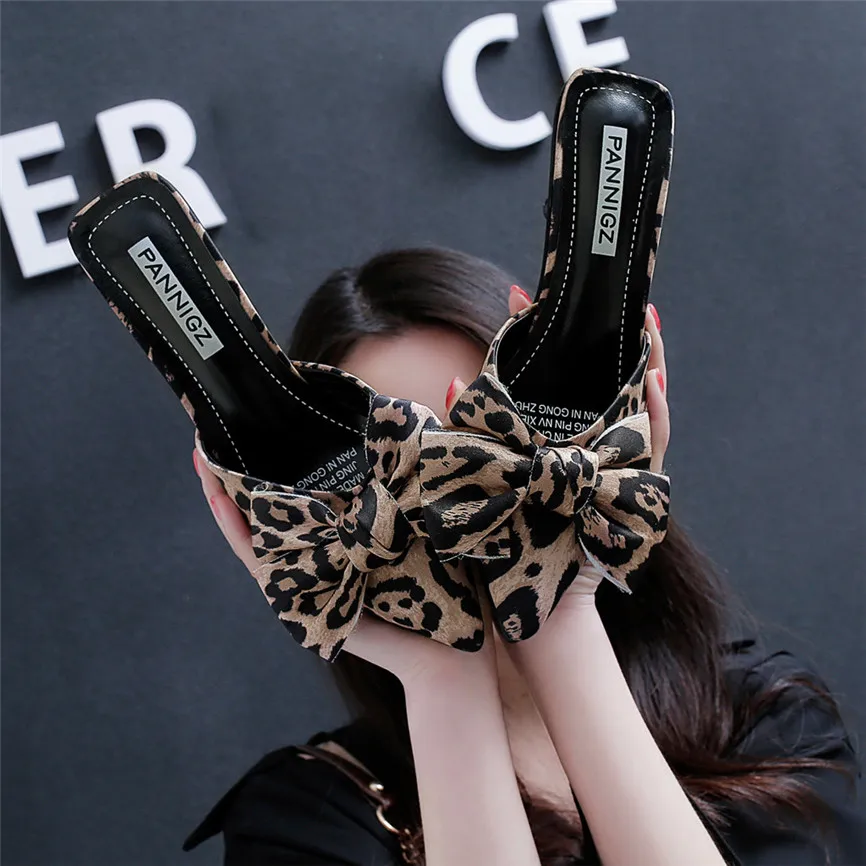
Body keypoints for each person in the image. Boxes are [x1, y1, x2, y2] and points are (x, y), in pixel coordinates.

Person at [183, 247, 863, 865]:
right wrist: (443, 677)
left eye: (481, 438)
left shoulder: (763, 718)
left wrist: (561, 609)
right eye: (394, 466)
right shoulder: (307, 822)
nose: (454, 506)